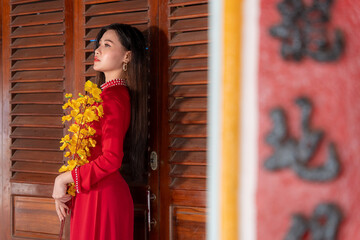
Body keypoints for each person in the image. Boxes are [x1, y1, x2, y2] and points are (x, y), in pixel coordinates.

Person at [52, 23, 147, 240]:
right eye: (98, 44)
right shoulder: (106, 95)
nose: (98, 50)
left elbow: (112, 158)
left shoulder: (114, 98)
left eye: (107, 44)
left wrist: (63, 180)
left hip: (101, 197)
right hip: (90, 192)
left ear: (127, 57)